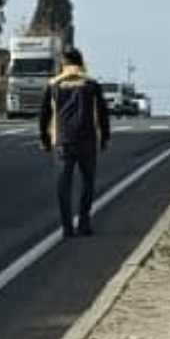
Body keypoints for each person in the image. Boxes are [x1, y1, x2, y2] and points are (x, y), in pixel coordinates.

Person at [38, 47, 111, 237]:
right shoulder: (92, 84)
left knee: (64, 185)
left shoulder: (53, 84)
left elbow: (44, 115)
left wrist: (44, 138)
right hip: (87, 140)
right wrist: (105, 137)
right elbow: (103, 113)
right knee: (88, 182)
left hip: (63, 141)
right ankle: (84, 223)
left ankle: (67, 227)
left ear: (63, 63)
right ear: (81, 63)